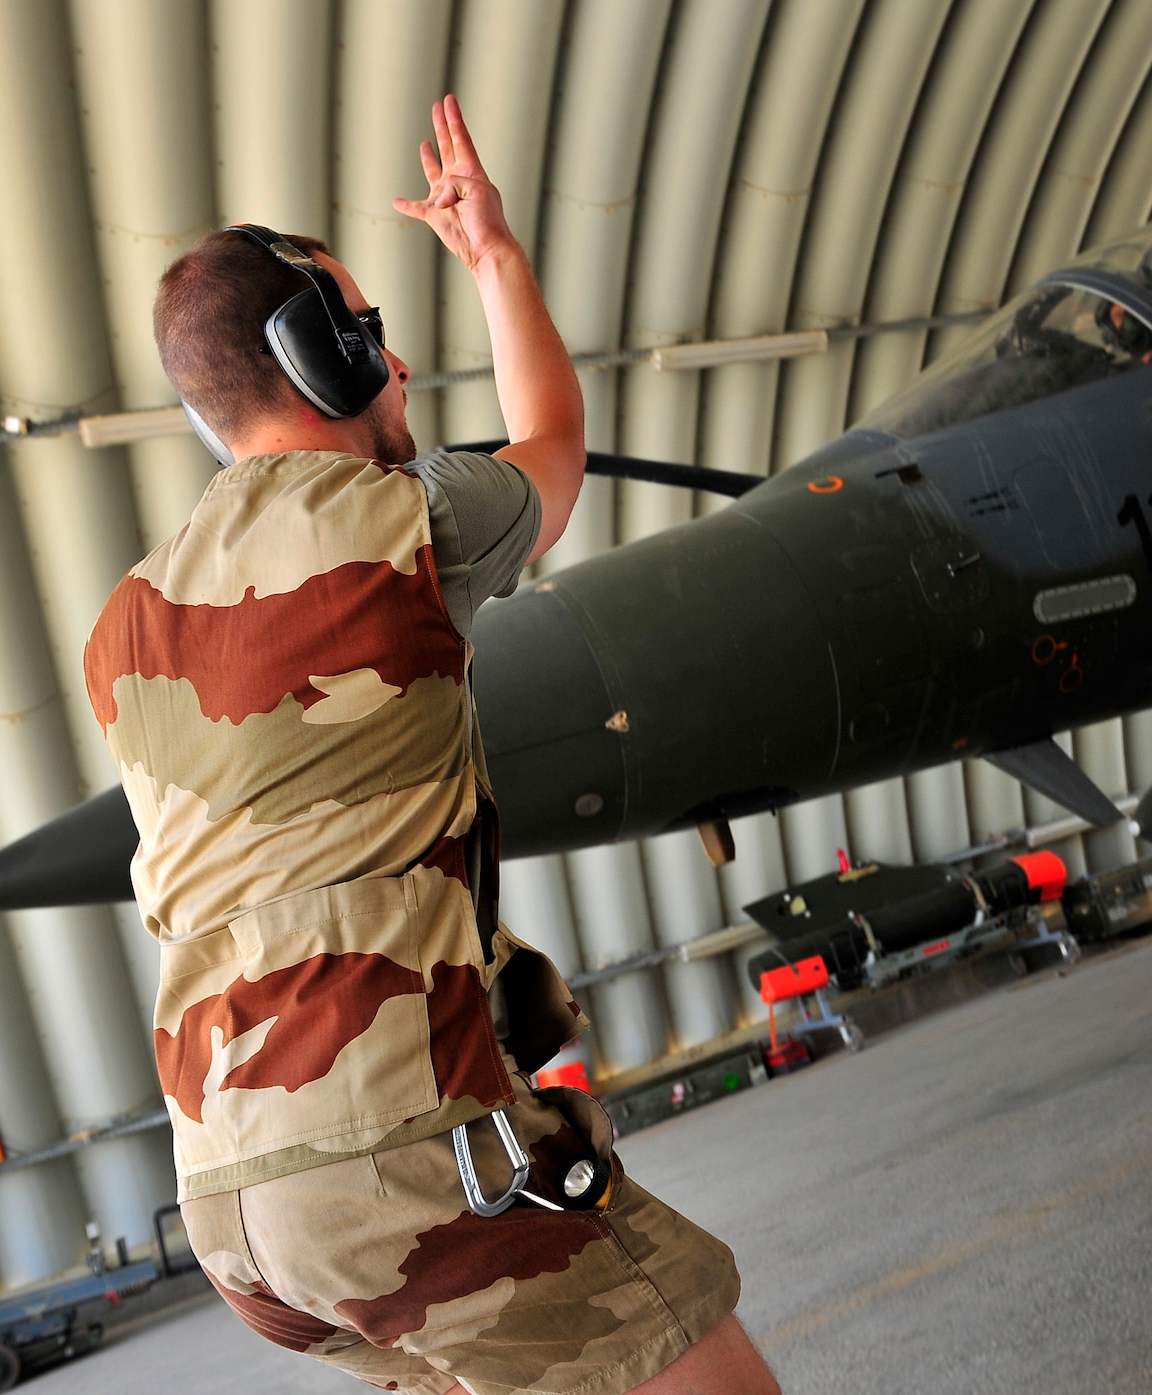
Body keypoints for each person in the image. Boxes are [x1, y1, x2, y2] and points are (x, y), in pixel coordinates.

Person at [83, 95, 779, 1395]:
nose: (397, 368)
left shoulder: (126, 623)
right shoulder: (400, 518)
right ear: (324, 355)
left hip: (232, 1207)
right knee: (708, 1373)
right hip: (392, 1164)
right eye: (373, 336)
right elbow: (555, 450)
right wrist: (497, 261)